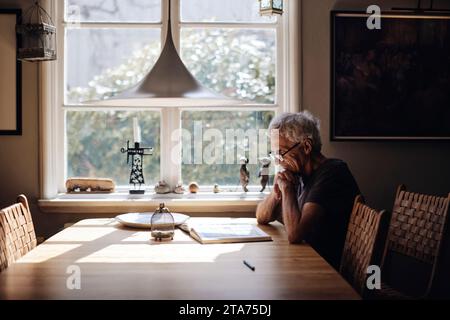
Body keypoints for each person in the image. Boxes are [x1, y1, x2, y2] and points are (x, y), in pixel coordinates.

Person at [256, 111, 360, 270]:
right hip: (310, 262)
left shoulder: (333, 173)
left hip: (333, 271)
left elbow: (295, 235)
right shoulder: (299, 173)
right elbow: (261, 217)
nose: (277, 160)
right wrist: (277, 192)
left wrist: (288, 190)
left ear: (306, 146)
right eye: (274, 154)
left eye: (281, 153)